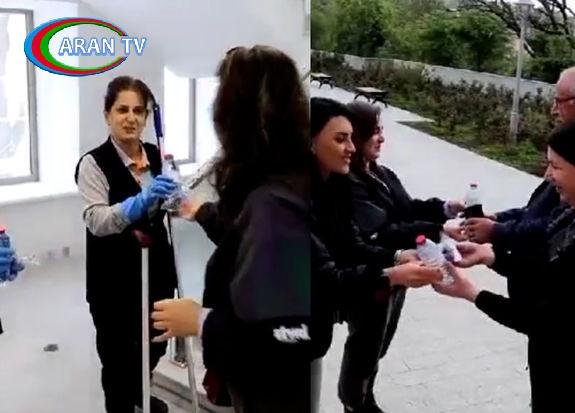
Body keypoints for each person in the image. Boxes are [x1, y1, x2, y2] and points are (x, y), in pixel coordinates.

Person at [150, 45, 312, 413]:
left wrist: (201, 321)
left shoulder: (274, 204)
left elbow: (294, 333)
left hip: (272, 393)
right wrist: (201, 211)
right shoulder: (280, 182)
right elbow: (247, 240)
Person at [434, 116, 575, 411]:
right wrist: (490, 257)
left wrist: (469, 291)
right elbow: (545, 269)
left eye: (556, 167)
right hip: (551, 364)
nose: (548, 175)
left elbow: (543, 320)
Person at [310, 97, 443, 413]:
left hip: (320, 325)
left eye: (351, 138)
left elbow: (353, 244)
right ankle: (356, 401)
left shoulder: (341, 184)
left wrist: (398, 258)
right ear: (311, 142)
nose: (351, 147)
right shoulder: (296, 198)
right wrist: (392, 271)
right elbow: (327, 276)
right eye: (341, 139)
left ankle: (359, 400)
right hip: (285, 331)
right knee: (363, 349)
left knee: (372, 350)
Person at [339, 100, 464, 412]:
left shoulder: (380, 172)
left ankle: (366, 394)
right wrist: (438, 228)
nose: (381, 138)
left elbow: (407, 208)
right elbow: (383, 231)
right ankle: (355, 403)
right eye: (374, 132)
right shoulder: (349, 183)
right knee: (364, 345)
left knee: (379, 343)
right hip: (374, 276)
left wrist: (444, 208)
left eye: (381, 130)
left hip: (401, 274)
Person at [75, 76, 177, 413]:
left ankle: (139, 391)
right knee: (118, 358)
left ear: (147, 117)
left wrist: (177, 193)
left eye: (138, 111)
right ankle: (125, 399)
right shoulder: (93, 164)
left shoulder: (155, 155)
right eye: (122, 110)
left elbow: (169, 205)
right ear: (107, 114)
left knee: (155, 343)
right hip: (112, 283)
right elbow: (97, 220)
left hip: (157, 272)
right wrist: (139, 201)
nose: (130, 118)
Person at [464, 64, 575, 247]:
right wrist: (498, 219)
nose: (553, 110)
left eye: (558, 101)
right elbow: (536, 210)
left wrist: (498, 231)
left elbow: (561, 225)